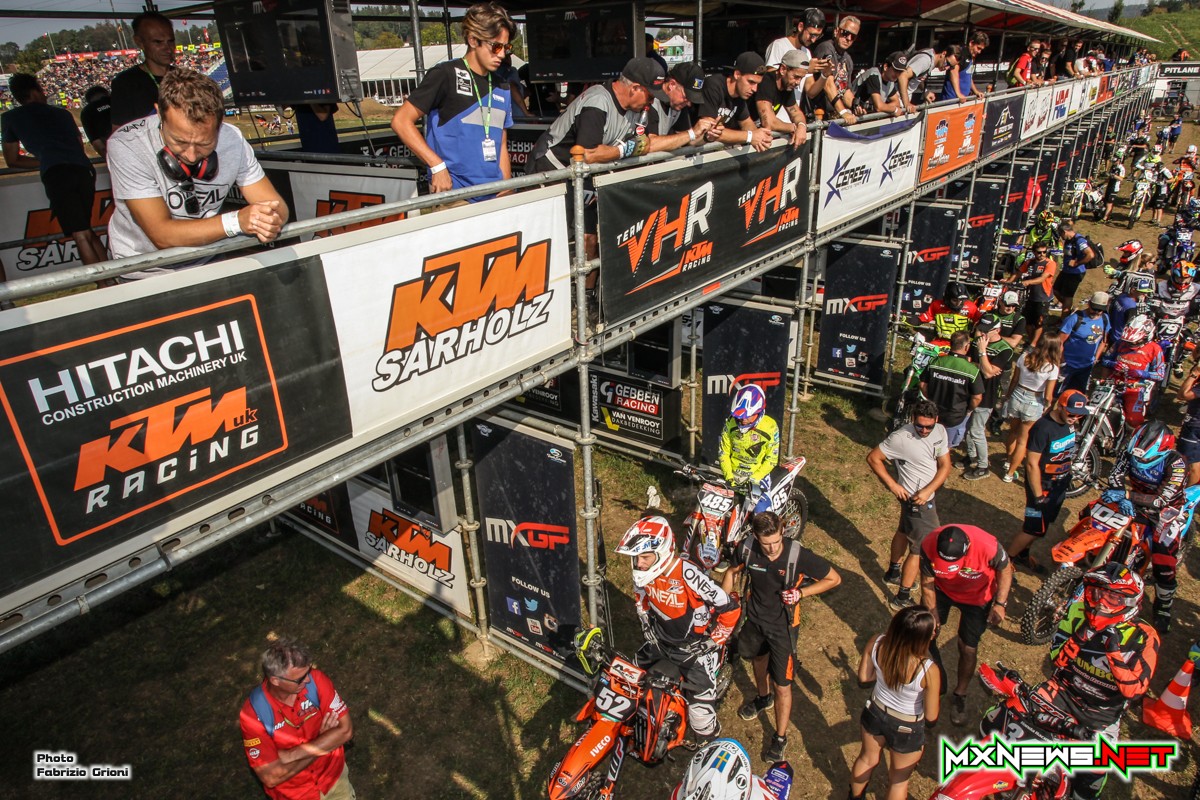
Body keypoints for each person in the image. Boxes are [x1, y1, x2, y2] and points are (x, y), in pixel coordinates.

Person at [106, 69, 288, 264]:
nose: (191, 155)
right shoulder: (127, 145)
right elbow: (162, 235)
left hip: (210, 257)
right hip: (144, 268)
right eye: (179, 141)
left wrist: (268, 220)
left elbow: (277, 207)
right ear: (159, 114)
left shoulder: (232, 138)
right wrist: (236, 222)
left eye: (205, 144)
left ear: (220, 123)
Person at [722, 511, 841, 762]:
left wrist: (802, 594)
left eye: (777, 541)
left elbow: (834, 579)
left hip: (783, 629)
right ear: (756, 537)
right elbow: (731, 572)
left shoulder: (798, 555)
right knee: (757, 660)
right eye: (766, 543)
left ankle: (779, 737)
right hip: (755, 621)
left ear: (782, 532)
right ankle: (763, 698)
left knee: (782, 685)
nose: (773, 548)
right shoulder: (747, 549)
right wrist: (723, 604)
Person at [615, 515, 741, 742]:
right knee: (627, 684)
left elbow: (731, 608)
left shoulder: (688, 574)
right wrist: (645, 618)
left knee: (701, 717)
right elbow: (640, 595)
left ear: (662, 552)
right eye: (635, 558)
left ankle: (710, 744)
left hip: (693, 650)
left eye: (645, 557)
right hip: (660, 641)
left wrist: (714, 640)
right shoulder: (643, 574)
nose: (639, 564)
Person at [1042, 564, 1159, 800]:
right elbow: (1057, 659)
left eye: (1112, 598)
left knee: (1092, 774)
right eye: (1096, 594)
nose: (1101, 603)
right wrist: (1082, 633)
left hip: (1102, 713)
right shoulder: (1077, 611)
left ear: (1129, 602)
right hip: (1063, 693)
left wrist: (1113, 651)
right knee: (1014, 729)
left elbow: (1134, 690)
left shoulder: (1144, 635)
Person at [392, 3, 517, 202]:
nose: (501, 54)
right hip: (455, 193)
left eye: (506, 47)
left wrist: (507, 186)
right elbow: (401, 121)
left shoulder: (502, 85)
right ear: (473, 40)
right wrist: (437, 166)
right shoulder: (445, 74)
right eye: (496, 46)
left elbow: (501, 141)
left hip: (494, 193)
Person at [1, 74, 107, 266]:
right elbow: (78, 146)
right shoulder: (63, 113)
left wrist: (44, 160)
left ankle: (102, 280)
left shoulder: (10, 118)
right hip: (83, 169)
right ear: (35, 91)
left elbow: (12, 160)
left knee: (80, 234)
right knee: (86, 229)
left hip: (56, 174)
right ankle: (110, 277)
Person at [239, 638, 355, 800]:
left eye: (308, 671)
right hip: (295, 795)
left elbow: (346, 731)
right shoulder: (253, 715)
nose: (307, 679)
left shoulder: (316, 681)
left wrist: (289, 755)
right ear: (275, 680)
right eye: (300, 679)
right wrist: (323, 742)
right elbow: (271, 777)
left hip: (334, 780)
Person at [920, 525, 1013, 725]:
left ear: (967, 548)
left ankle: (960, 695)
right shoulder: (929, 543)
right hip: (941, 591)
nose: (948, 570)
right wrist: (932, 613)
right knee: (925, 634)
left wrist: (1000, 603)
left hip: (978, 598)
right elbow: (927, 582)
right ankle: (935, 682)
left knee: (968, 648)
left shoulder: (988, 546)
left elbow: (1005, 570)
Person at [1102, 421, 1190, 631]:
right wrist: (1119, 491)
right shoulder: (1130, 450)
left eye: (1144, 459)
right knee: (1096, 518)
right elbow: (1115, 474)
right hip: (1134, 500)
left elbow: (1161, 500)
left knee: (1164, 559)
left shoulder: (1177, 463)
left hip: (1167, 511)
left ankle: (1163, 606)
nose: (1139, 461)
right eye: (1136, 457)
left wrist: (1126, 494)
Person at [866, 399, 951, 611]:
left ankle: (893, 572)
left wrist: (929, 490)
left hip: (924, 497)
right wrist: (893, 485)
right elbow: (874, 458)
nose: (924, 430)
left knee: (904, 531)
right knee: (920, 549)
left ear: (936, 420)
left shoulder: (940, 431)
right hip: (916, 502)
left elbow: (945, 465)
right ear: (913, 419)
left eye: (928, 426)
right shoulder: (901, 438)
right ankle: (902, 597)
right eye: (919, 425)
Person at [848, 606, 940, 800]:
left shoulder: (876, 642)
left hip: (874, 712)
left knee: (867, 758)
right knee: (898, 780)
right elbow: (932, 717)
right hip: (907, 726)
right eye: (933, 631)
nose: (934, 633)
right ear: (921, 638)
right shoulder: (928, 669)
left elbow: (864, 678)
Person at [1007, 389, 1087, 573]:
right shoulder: (1043, 428)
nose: (1075, 418)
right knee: (1032, 529)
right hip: (1042, 487)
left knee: (1042, 528)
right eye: (1071, 413)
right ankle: (1006, 560)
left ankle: (1022, 555)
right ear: (1061, 406)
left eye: (1079, 415)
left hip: (1059, 486)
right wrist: (1038, 496)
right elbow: (1031, 464)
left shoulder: (1069, 424)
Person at [999, 334, 1063, 483]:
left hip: (1017, 394)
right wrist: (1047, 407)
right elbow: (1048, 395)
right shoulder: (1052, 368)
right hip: (1034, 400)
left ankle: (1008, 460)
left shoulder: (1024, 357)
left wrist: (1008, 396)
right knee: (1023, 441)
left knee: (1013, 432)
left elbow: (1014, 379)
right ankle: (1010, 473)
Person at [963, 313, 1014, 481]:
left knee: (977, 430)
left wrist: (982, 352)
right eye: (980, 329)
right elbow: (968, 363)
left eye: (986, 331)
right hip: (970, 390)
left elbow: (988, 373)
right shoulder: (977, 341)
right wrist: (983, 365)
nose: (981, 333)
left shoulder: (1005, 349)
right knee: (968, 427)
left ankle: (983, 466)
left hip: (987, 395)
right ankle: (971, 456)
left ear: (997, 330)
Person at [693, 52, 774, 152]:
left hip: (709, 149)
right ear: (737, 74)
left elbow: (746, 123)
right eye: (751, 82)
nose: (755, 89)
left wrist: (761, 137)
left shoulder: (740, 93)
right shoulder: (714, 86)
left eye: (757, 84)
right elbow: (710, 130)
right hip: (690, 149)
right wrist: (750, 136)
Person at [109, 11, 176, 129]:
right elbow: (119, 132)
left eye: (171, 41)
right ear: (140, 42)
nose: (168, 48)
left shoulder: (186, 78)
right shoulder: (125, 83)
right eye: (158, 42)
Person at [920, 330, 984, 449]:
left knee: (926, 444)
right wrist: (969, 410)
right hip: (955, 417)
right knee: (944, 448)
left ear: (951, 344)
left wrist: (930, 399)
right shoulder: (972, 370)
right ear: (967, 346)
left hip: (933, 412)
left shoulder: (935, 361)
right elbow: (977, 397)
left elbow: (923, 384)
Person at [1099, 313, 1164, 428]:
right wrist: (1113, 364)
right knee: (1097, 408)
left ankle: (1128, 436)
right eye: (1127, 342)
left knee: (1134, 420)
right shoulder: (1120, 342)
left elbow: (1160, 374)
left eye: (1133, 342)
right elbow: (1105, 360)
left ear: (1146, 337)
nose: (1129, 345)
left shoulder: (1155, 349)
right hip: (1113, 383)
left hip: (1135, 387)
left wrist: (1141, 373)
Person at [718, 384, 780, 495]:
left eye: (748, 416)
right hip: (733, 475)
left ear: (758, 412)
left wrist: (754, 479)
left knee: (763, 506)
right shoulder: (731, 423)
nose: (743, 420)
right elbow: (724, 453)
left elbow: (771, 459)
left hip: (758, 477)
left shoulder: (770, 426)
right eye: (740, 416)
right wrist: (729, 478)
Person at [750, 50, 809, 147]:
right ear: (783, 69)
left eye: (801, 78)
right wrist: (794, 128)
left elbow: (796, 112)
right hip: (740, 135)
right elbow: (769, 122)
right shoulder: (766, 82)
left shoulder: (787, 85)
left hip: (756, 138)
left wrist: (802, 126)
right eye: (796, 77)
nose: (798, 82)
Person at [1056, 292, 1111, 396]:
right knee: (1056, 396)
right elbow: (1059, 342)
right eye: (1094, 308)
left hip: (1086, 367)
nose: (1096, 312)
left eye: (1100, 310)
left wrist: (1095, 358)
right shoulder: (1075, 318)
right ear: (1089, 304)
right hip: (1067, 366)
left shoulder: (1105, 319)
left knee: (1077, 397)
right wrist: (1062, 362)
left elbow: (1103, 341)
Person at [811, 15, 861, 124]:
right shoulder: (826, 48)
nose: (848, 38)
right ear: (836, 31)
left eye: (853, 36)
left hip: (834, 116)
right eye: (845, 33)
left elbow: (845, 91)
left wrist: (856, 106)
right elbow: (828, 84)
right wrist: (843, 112)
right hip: (818, 116)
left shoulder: (848, 59)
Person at [1015, 241, 1058, 349]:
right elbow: (1018, 273)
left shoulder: (1050, 263)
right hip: (1030, 296)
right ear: (1034, 252)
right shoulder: (1029, 262)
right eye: (1039, 252)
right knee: (1027, 321)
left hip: (1043, 297)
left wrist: (1027, 282)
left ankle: (1033, 344)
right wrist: (1007, 281)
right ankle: (1032, 342)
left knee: (1039, 322)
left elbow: (1042, 278)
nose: (1042, 254)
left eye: (1044, 252)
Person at [895, 42, 956, 113]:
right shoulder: (926, 61)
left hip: (901, 101)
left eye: (951, 67)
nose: (947, 68)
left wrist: (925, 91)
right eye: (947, 63)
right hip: (896, 100)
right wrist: (907, 103)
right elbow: (903, 76)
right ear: (943, 53)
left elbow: (918, 77)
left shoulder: (931, 60)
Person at [1053, 219, 1095, 310]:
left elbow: (1090, 255)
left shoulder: (1079, 240)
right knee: (1055, 290)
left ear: (1064, 232)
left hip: (1075, 273)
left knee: (1068, 296)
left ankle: (1065, 314)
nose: (1061, 237)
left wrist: (1077, 263)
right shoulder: (1069, 240)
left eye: (1061, 234)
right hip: (1066, 270)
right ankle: (1068, 307)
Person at [942, 32, 989, 102]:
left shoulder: (971, 57)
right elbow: (953, 72)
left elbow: (968, 76)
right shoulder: (961, 53)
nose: (979, 52)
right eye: (978, 48)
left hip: (963, 99)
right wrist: (959, 94)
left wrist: (976, 91)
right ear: (971, 43)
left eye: (981, 49)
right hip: (952, 99)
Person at [1107, 273, 1153, 343]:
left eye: (1146, 292)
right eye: (1142, 292)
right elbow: (1132, 327)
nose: (1145, 295)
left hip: (1112, 331)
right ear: (1133, 290)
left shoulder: (1122, 296)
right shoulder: (1131, 307)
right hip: (1120, 339)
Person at [1177, 364, 1200, 486]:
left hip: (1195, 427)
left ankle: (1188, 495)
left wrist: (1194, 374)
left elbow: (1183, 395)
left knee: (1191, 464)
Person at [80, 84, 112, 158]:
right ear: (107, 93)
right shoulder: (118, 101)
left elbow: (97, 142)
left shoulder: (86, 111)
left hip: (112, 149)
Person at [1100, 158, 1125, 223]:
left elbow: (1121, 179)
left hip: (1115, 187)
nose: (1113, 163)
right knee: (1106, 201)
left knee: (1109, 203)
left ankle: (1105, 218)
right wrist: (1102, 183)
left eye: (1114, 161)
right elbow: (1109, 177)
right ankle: (1109, 216)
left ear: (1118, 161)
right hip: (1110, 186)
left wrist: (1114, 176)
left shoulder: (1121, 168)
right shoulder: (1113, 167)